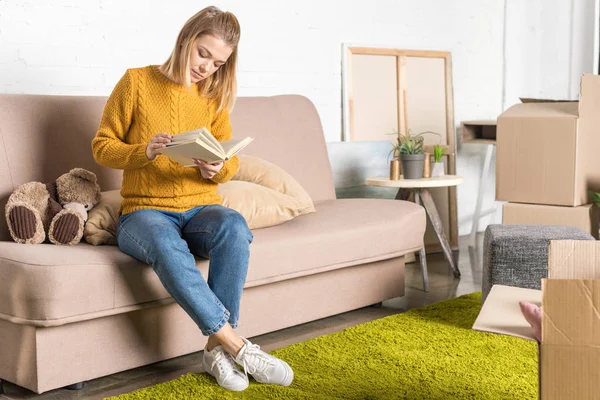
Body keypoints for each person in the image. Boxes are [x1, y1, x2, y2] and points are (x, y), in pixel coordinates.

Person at [91, 6, 293, 392]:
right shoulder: (136, 82)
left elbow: (228, 161)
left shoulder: (213, 97)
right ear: (186, 39)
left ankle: (215, 352)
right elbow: (102, 147)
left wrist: (217, 170)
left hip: (200, 208)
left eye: (218, 63)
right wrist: (142, 152)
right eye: (204, 54)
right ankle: (236, 346)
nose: (207, 68)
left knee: (234, 227)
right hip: (144, 212)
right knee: (166, 245)